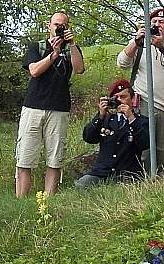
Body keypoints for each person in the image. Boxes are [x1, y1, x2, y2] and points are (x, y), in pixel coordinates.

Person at [16, 12, 85, 197]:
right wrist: (53, 55)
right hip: (33, 107)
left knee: (55, 158)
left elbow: (79, 69)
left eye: (63, 25)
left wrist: (71, 44)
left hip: (59, 108)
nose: (59, 28)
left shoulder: (72, 48)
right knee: (25, 157)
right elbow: (34, 71)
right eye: (56, 24)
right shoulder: (36, 46)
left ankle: (49, 199)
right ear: (49, 25)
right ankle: (21, 200)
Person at [117, 7, 164, 176]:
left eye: (161, 22)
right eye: (154, 22)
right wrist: (136, 41)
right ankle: (143, 181)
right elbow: (122, 63)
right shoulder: (140, 44)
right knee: (144, 148)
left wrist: (163, 47)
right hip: (143, 102)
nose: (157, 25)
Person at [75, 80, 150, 187]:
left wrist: (131, 118)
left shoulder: (140, 121)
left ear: (132, 98)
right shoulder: (106, 120)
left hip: (127, 174)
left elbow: (145, 143)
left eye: (124, 97)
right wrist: (100, 116)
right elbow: (88, 137)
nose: (120, 101)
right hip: (101, 173)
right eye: (116, 98)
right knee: (81, 185)